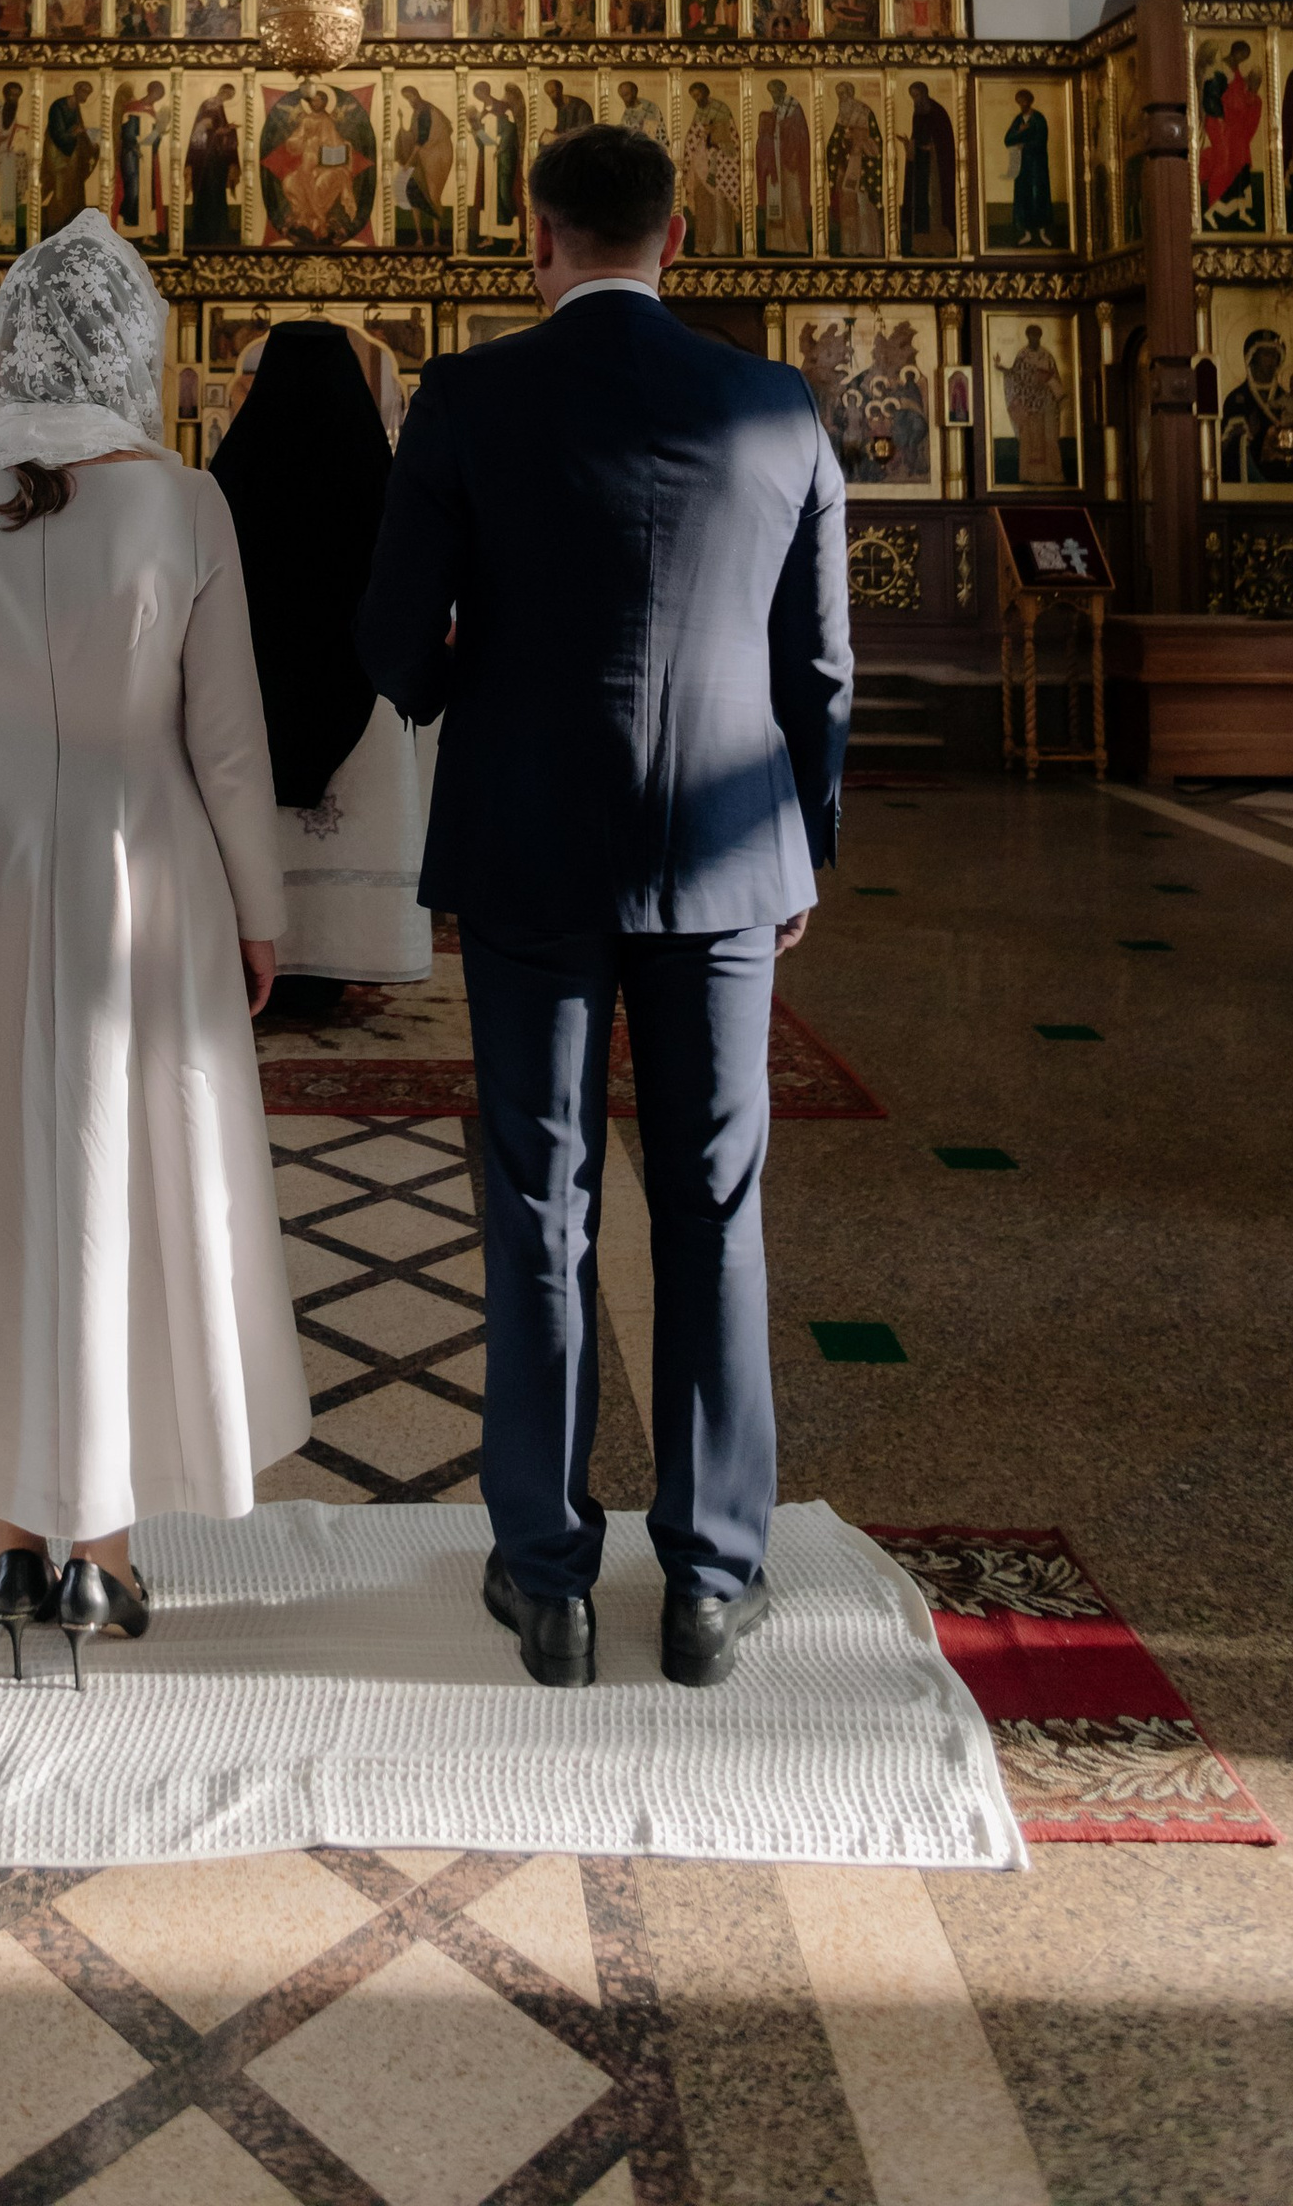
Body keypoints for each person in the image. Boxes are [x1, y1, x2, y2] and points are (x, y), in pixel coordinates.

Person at [358, 122, 851, 1693]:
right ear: (679, 240)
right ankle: (712, 1580)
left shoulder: (468, 395)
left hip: (522, 842)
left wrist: (468, 690)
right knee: (712, 1203)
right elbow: (821, 668)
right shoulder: (776, 403)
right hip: (724, 860)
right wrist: (803, 849)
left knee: (536, 1198)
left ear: (534, 236)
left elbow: (390, 639)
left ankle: (548, 1576)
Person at [0, 211, 307, 1678]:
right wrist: (263, 911)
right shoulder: (182, 505)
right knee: (124, 1172)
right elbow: (231, 748)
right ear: (135, 350)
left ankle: (4, 1546)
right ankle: (105, 1557)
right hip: (145, 864)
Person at [212, 322, 434, 1009]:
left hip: (253, 693)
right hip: (357, 692)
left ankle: (258, 954)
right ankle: (337, 960)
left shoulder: (232, 472)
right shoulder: (375, 468)